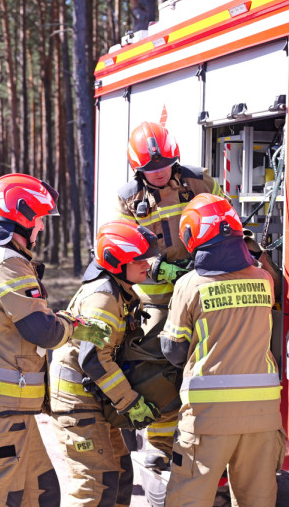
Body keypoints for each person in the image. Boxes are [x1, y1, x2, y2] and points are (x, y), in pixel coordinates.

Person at [0, 173, 112, 507]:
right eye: (39, 219)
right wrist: (74, 325)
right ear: (24, 217)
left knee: (40, 493)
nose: (40, 228)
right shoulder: (7, 262)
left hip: (3, 408)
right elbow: (43, 331)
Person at [160, 193, 285, 506]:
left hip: (208, 419)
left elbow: (173, 350)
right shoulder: (263, 280)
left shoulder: (190, 285)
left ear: (191, 237)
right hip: (262, 416)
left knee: (188, 498)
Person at [115, 121, 225, 467]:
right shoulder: (129, 198)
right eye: (150, 168)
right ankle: (161, 445)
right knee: (158, 365)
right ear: (138, 168)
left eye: (163, 165)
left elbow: (224, 217)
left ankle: (209, 439)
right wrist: (162, 269)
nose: (158, 173)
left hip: (203, 285)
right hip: (157, 297)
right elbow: (126, 245)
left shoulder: (200, 181)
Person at [48, 220, 162, 507]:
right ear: (117, 262)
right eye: (140, 260)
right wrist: (130, 402)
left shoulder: (119, 291)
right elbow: (94, 360)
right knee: (94, 484)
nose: (148, 265)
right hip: (77, 402)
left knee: (120, 476)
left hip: (96, 400)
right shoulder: (103, 298)